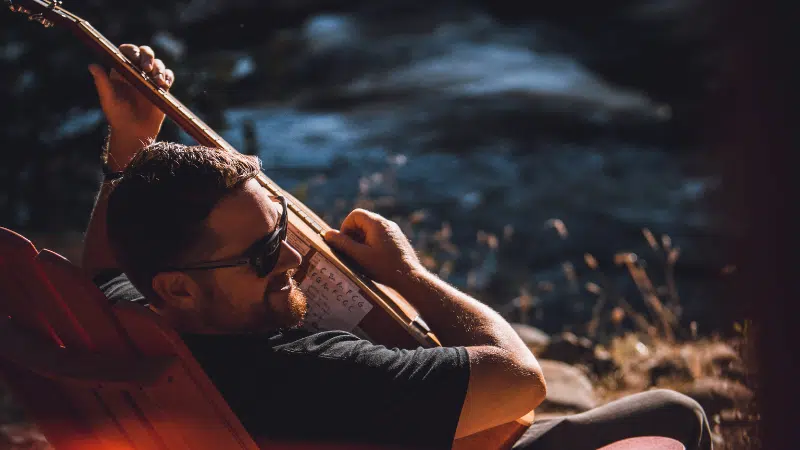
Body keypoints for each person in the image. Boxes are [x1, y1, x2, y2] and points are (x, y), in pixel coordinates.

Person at [82, 44, 713, 450]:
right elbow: (521, 381)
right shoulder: (309, 373)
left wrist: (129, 145)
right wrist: (409, 275)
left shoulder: (135, 310)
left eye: (280, 229)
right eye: (260, 255)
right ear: (177, 286)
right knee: (674, 411)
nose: (293, 257)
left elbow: (104, 263)